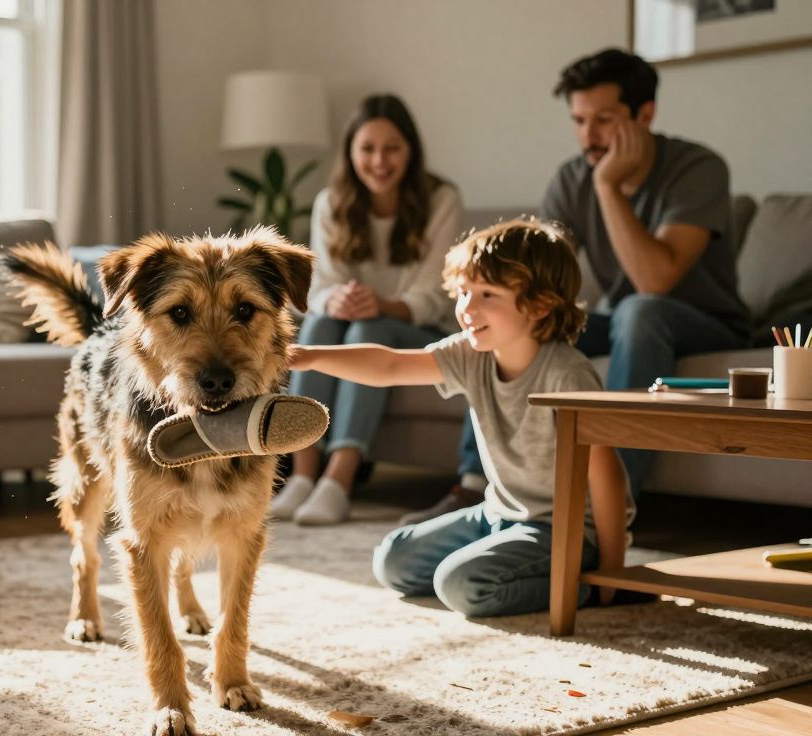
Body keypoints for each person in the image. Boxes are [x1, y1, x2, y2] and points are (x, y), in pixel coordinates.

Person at [415, 47, 749, 525]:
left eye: (604, 120)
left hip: (706, 322)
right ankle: (473, 484)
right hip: (626, 322)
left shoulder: (697, 169)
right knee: (515, 320)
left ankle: (613, 506)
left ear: (645, 114)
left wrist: (608, 189)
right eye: (579, 120)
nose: (588, 137)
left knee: (640, 309)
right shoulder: (571, 178)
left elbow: (656, 281)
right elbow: (525, 279)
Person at [291, 218, 634, 616]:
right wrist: (310, 356)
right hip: (498, 513)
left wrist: (613, 575)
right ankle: (516, 567)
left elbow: (607, 474)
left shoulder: (568, 375)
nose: (467, 309)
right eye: (464, 292)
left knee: (462, 584)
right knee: (394, 560)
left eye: (487, 294)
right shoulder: (472, 354)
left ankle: (583, 589)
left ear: (540, 304)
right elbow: (389, 367)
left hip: (566, 532)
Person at [270, 94, 463, 526]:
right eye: (368, 149)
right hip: (348, 322)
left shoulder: (441, 199)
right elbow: (320, 286)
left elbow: (433, 295)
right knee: (319, 321)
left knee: (366, 331)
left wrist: (382, 304)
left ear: (410, 151)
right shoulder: (330, 202)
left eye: (392, 148)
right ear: (351, 153)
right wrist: (334, 300)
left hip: (418, 328)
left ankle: (339, 478)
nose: (379, 161)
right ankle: (303, 475)